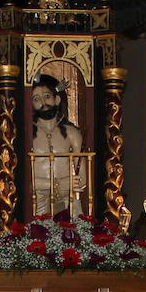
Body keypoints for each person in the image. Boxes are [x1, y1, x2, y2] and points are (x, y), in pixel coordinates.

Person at [29, 73, 86, 216]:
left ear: (57, 99)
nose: (43, 103)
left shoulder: (72, 133)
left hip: (67, 201)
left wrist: (68, 185)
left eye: (47, 96)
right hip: (36, 202)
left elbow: (83, 178)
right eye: (36, 99)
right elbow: (23, 181)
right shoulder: (27, 135)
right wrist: (58, 185)